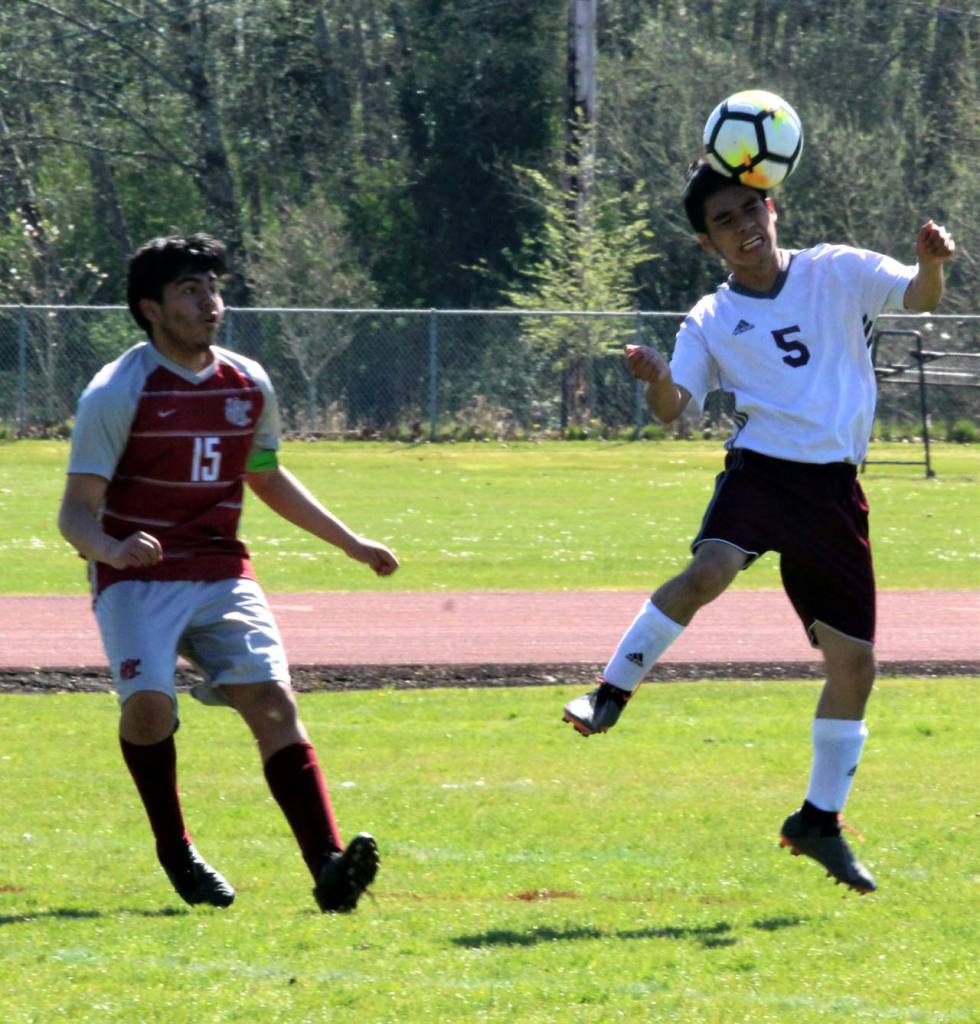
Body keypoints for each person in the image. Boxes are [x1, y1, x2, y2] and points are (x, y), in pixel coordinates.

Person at [562, 160, 956, 893]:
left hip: (834, 492)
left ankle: (817, 822)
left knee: (856, 667)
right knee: (708, 571)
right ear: (707, 244)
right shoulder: (710, 319)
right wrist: (654, 381)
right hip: (762, 474)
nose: (743, 228)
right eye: (724, 221)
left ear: (772, 207)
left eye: (750, 210)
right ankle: (609, 694)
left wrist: (932, 262)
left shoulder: (836, 270)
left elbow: (917, 294)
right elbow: (675, 405)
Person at [58, 233, 399, 912]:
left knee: (273, 703)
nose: (211, 303)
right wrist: (113, 550)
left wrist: (350, 542)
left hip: (221, 571)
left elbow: (265, 476)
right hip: (136, 578)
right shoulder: (116, 391)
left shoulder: (248, 381)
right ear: (150, 308)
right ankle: (176, 849)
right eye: (191, 290)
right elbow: (74, 514)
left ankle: (329, 868)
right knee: (150, 706)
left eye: (214, 287)